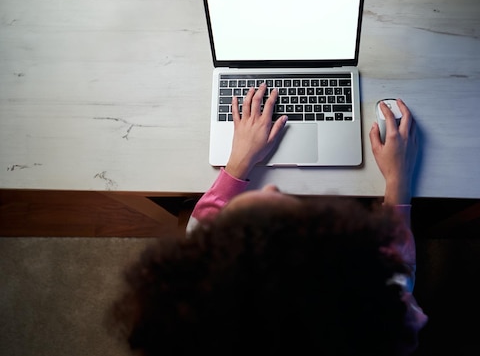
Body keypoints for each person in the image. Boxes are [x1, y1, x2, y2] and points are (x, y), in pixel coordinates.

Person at [109, 84, 428, 356]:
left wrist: (238, 161)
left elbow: (202, 231)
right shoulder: (388, 313)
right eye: (288, 219)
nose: (274, 186)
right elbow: (398, 272)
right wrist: (398, 180)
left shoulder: (194, 319)